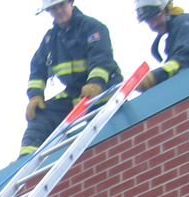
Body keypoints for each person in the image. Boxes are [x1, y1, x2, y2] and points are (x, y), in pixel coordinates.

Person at [20, 0, 123, 156]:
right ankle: (25, 159)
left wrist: (96, 83)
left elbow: (101, 58)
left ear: (71, 3)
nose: (58, 10)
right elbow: (38, 69)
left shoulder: (92, 27)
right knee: (41, 114)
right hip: (75, 93)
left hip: (104, 88)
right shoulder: (50, 39)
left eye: (61, 5)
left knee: (107, 131)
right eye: (53, 8)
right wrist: (35, 95)